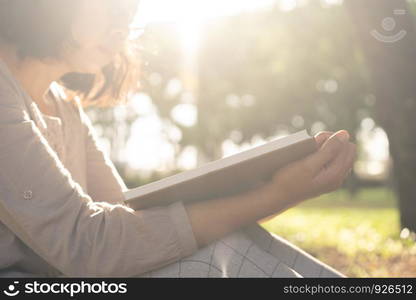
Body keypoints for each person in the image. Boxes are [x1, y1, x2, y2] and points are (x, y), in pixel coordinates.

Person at [0, 0, 356, 277]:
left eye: (130, 12)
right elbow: (91, 246)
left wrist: (282, 189)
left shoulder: (66, 108)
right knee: (205, 266)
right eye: (112, 6)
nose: (122, 26)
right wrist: (277, 193)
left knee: (227, 241)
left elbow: (132, 225)